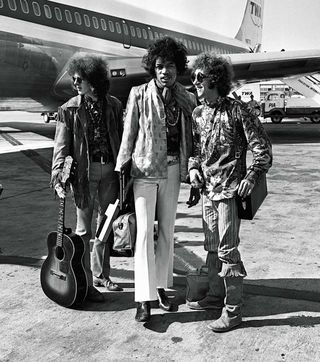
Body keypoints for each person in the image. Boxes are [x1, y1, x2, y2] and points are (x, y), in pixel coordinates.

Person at [187, 53, 272, 332]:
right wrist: (193, 169)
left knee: (227, 250)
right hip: (207, 193)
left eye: (200, 77)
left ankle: (233, 311)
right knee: (211, 248)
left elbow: (262, 150)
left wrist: (251, 176)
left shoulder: (238, 110)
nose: (195, 82)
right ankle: (215, 296)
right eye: (194, 77)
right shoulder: (198, 113)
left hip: (230, 192)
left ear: (215, 79)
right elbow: (196, 151)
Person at [115, 37, 197, 322]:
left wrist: (193, 173)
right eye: (160, 67)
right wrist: (121, 170)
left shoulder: (186, 97)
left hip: (173, 170)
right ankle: (143, 298)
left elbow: (194, 135)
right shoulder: (138, 94)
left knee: (166, 234)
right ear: (153, 68)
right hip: (144, 173)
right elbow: (129, 135)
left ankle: (161, 287)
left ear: (178, 68)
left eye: (171, 66)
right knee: (143, 237)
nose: (165, 72)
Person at [51, 54, 124, 303]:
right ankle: (84, 280)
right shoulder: (69, 109)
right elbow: (61, 147)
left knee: (105, 227)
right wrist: (58, 176)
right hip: (84, 174)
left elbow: (123, 140)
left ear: (93, 80)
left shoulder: (113, 105)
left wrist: (126, 169)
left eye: (79, 79)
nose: (74, 83)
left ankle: (101, 275)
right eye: (73, 78)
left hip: (110, 172)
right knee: (83, 231)